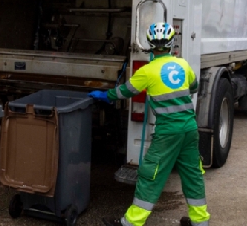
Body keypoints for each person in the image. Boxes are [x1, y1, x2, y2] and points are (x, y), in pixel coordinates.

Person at [89, 22, 210, 226]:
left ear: (150, 45)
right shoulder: (183, 65)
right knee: (192, 174)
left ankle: (130, 223)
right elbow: (194, 86)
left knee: (150, 176)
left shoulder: (148, 71)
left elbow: (125, 92)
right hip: (190, 129)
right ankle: (200, 222)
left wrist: (105, 95)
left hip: (168, 133)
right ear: (171, 44)